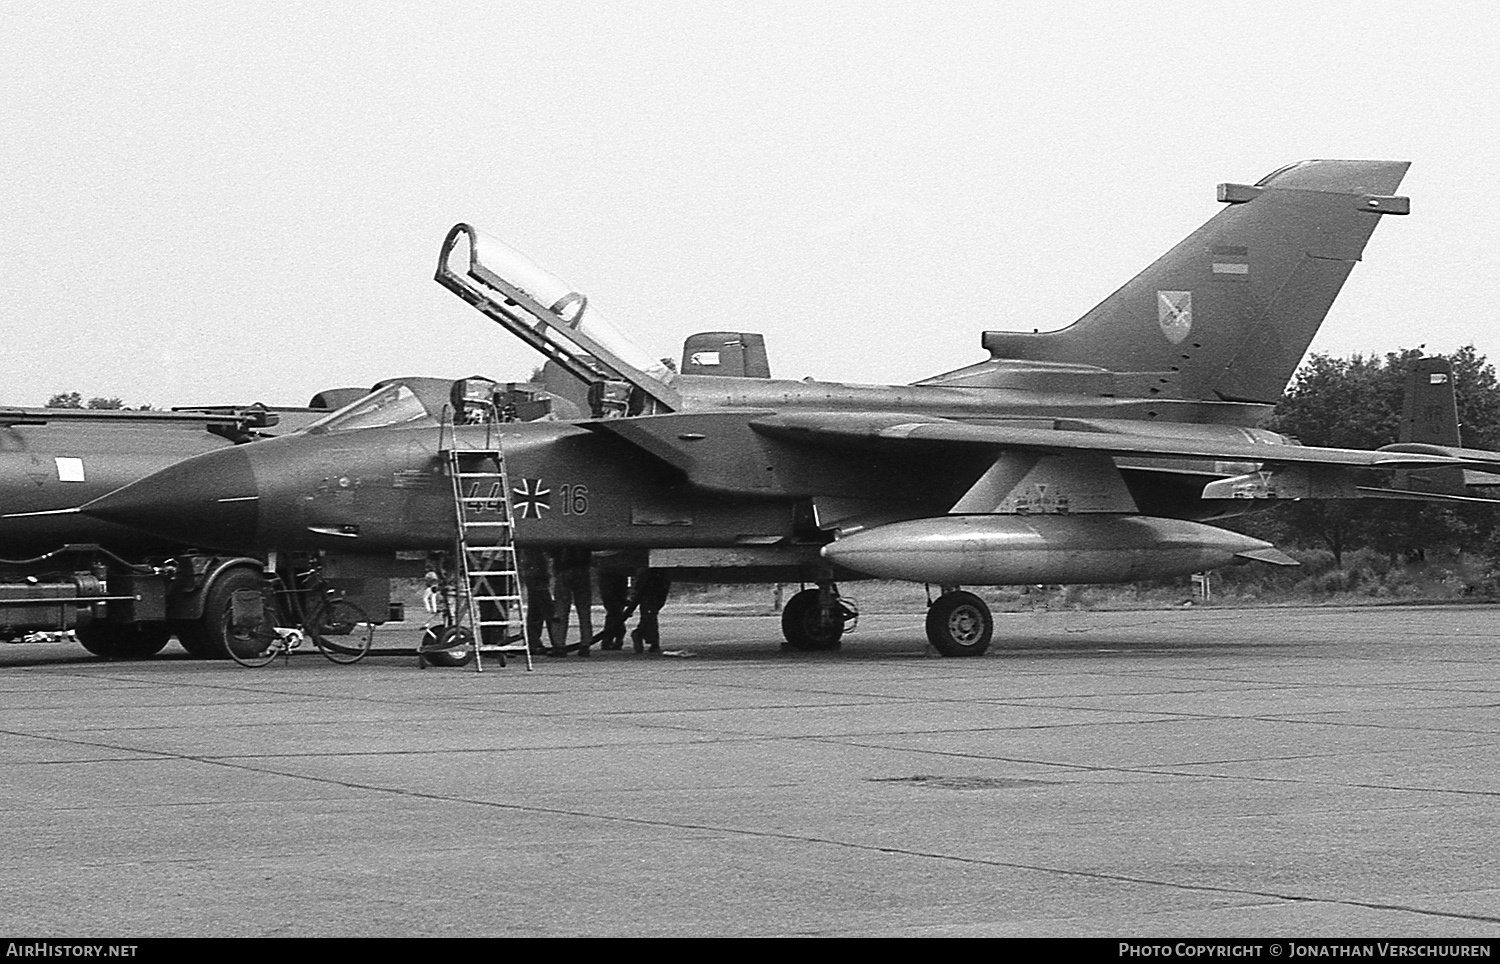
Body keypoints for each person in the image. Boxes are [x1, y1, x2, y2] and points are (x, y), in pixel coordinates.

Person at [547, 547, 594, 657]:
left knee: (561, 609)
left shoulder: (560, 535)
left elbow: (551, 552)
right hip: (582, 568)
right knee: (584, 611)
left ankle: (559, 645)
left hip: (563, 569)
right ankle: (585, 644)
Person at [515, 547, 554, 654]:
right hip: (537, 575)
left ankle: (533, 641)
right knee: (548, 611)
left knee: (535, 610)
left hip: (534, 574)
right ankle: (557, 642)